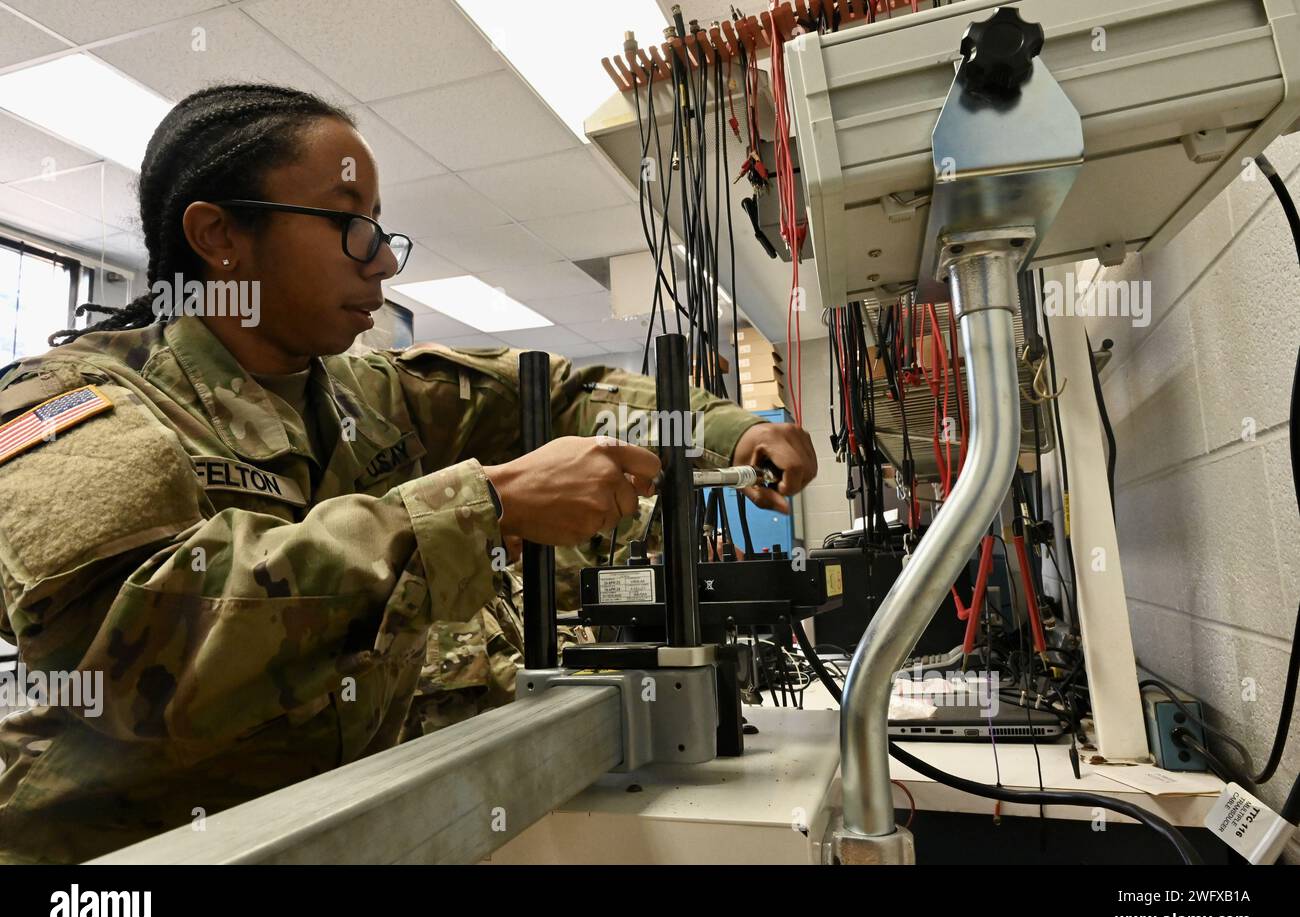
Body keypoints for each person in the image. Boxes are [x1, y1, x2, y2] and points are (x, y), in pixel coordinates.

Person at [0, 83, 817, 863]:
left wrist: (729, 431)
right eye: (348, 225)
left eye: (384, 230)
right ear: (219, 237)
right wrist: (485, 509)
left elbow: (558, 394)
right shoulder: (74, 405)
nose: (384, 261)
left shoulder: (366, 390)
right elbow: (125, 649)